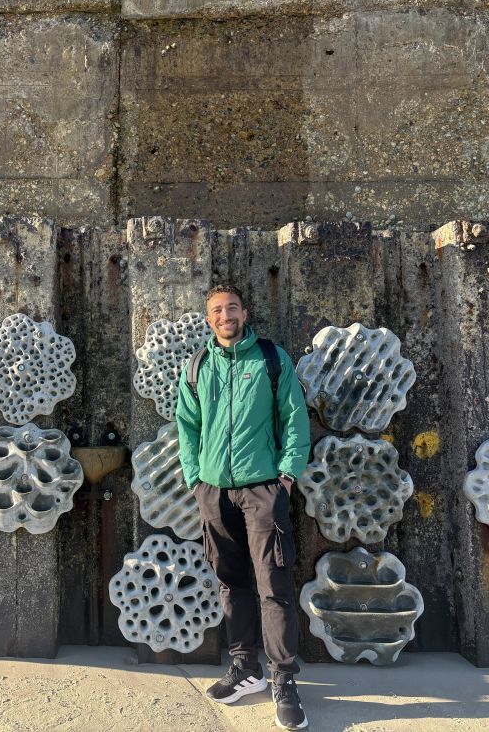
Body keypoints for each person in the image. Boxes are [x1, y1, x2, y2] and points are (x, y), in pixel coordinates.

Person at [175, 284, 311, 730]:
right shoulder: (198, 365)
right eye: (217, 310)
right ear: (209, 318)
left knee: (273, 584)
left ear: (244, 312)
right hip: (214, 492)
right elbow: (187, 426)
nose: (225, 315)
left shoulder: (271, 359)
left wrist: (287, 477)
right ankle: (244, 668)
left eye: (231, 307)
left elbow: (294, 418)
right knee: (231, 583)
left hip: (262, 490)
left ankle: (283, 680)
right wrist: (196, 481)